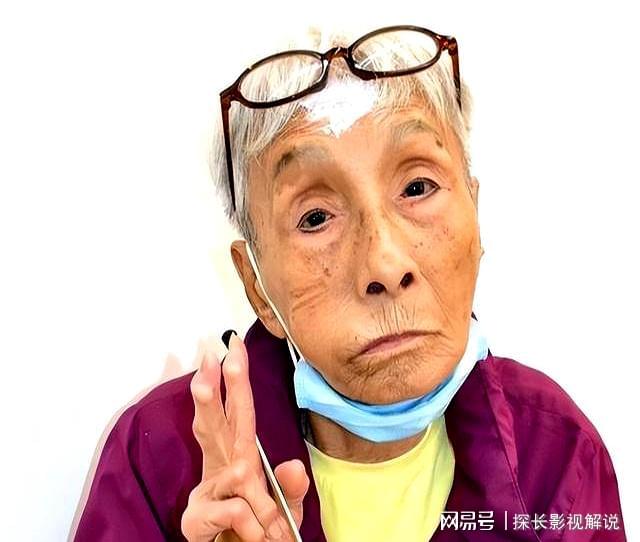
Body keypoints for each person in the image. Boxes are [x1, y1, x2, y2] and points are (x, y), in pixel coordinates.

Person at [73, 24, 626, 541]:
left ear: (475, 214)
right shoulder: (163, 456)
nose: (385, 265)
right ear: (256, 284)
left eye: (417, 187)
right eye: (315, 218)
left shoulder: (556, 452)